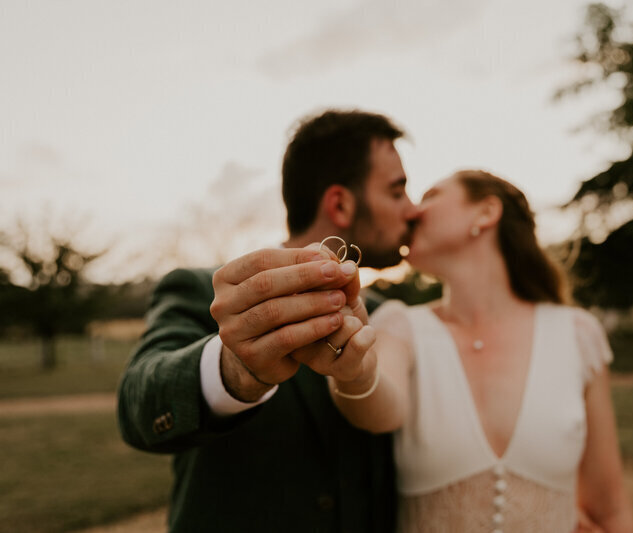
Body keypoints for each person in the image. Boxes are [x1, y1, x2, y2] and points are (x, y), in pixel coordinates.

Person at [117, 109, 419, 532]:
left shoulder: (391, 318)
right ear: (341, 203)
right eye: (397, 192)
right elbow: (137, 407)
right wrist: (235, 368)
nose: (412, 210)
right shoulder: (205, 292)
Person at [327, 170, 633, 532]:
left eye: (430, 196)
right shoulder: (401, 325)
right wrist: (355, 370)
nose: (411, 211)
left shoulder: (577, 334)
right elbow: (380, 410)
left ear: (486, 213)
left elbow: (610, 508)